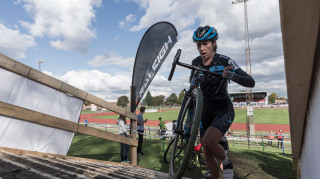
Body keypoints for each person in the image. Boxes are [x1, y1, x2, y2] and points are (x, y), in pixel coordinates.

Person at [191, 25, 255, 179]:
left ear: (214, 43)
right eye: (199, 45)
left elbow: (250, 82)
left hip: (222, 109)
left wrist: (232, 75)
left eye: (205, 43)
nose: (201, 48)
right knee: (206, 150)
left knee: (208, 141)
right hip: (204, 110)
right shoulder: (195, 62)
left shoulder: (225, 60)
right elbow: (192, 82)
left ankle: (226, 162)